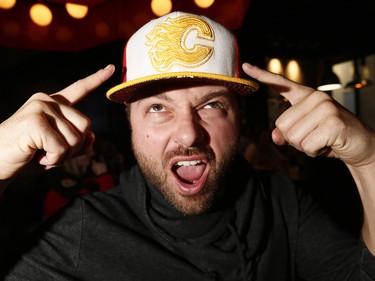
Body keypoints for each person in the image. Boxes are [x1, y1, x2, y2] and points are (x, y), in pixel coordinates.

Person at [0, 11, 374, 280]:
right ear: (130, 122)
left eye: (211, 105)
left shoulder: (281, 202)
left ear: (239, 116)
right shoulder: (81, 234)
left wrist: (370, 160)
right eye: (158, 107)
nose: (189, 134)